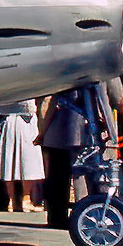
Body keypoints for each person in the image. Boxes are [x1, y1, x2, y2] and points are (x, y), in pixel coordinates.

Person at [35, 90, 86, 229]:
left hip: (57, 132)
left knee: (57, 178)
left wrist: (42, 133)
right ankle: (81, 215)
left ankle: (56, 216)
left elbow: (47, 106)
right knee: (77, 177)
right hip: (79, 131)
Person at [0, 99, 43, 213]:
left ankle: (13, 201)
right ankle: (25, 199)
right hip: (24, 120)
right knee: (28, 159)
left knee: (10, 160)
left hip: (10, 120)